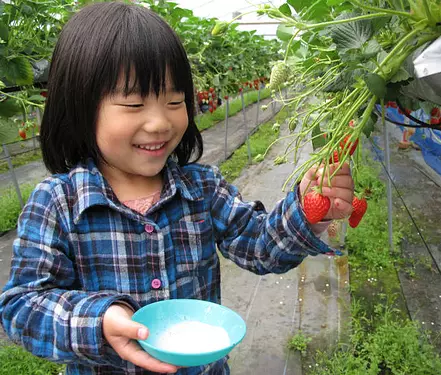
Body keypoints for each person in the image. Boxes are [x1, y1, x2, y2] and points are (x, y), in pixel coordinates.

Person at [0, 2, 354, 375]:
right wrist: (99, 319)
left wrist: (308, 208)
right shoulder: (57, 204)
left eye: (174, 101)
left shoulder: (201, 188)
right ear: (80, 108)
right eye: (134, 103)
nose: (159, 122)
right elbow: (23, 308)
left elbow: (261, 247)